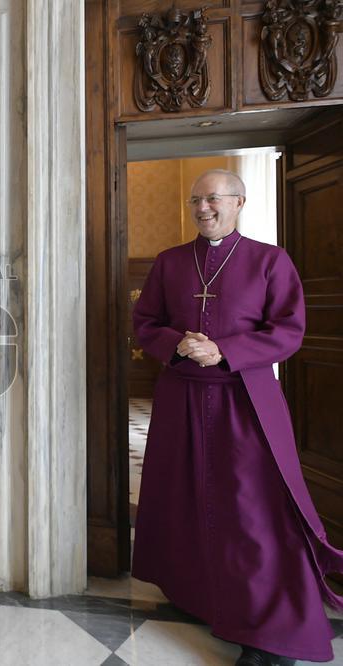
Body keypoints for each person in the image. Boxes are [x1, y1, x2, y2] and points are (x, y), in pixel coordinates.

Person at [132, 169, 342, 666]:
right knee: (184, 500)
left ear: (239, 202)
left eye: (213, 199)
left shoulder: (270, 260)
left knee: (255, 512)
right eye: (195, 200)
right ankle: (197, 596)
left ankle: (269, 631)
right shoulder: (169, 262)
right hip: (181, 397)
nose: (202, 208)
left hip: (245, 398)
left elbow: (288, 331)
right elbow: (146, 323)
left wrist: (225, 350)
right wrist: (176, 344)